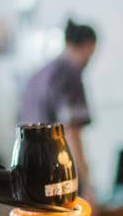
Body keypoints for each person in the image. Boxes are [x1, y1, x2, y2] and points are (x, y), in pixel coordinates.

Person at [19, 19, 98, 199]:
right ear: (88, 46)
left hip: (27, 166)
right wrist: (85, 178)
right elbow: (71, 129)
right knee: (88, 209)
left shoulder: (41, 73)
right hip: (55, 169)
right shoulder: (70, 72)